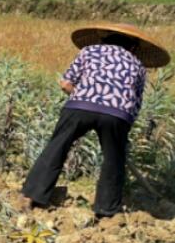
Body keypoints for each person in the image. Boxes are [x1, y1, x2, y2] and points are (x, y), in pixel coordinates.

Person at [20, 23, 170, 218]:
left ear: (104, 39)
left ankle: (33, 195)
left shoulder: (89, 51)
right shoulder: (138, 65)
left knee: (57, 147)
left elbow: (65, 83)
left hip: (80, 106)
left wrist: (84, 96)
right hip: (117, 114)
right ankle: (106, 210)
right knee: (114, 160)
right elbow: (135, 103)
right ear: (133, 47)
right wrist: (121, 133)